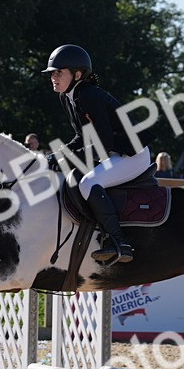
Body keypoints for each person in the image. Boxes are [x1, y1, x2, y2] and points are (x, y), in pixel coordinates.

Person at [43, 44, 147, 264]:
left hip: (132, 155)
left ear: (77, 74)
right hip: (112, 151)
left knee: (88, 184)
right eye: (52, 72)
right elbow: (82, 137)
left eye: (59, 72)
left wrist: (66, 160)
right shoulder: (68, 97)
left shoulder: (89, 95)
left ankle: (119, 243)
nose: (53, 77)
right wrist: (56, 156)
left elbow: (105, 142)